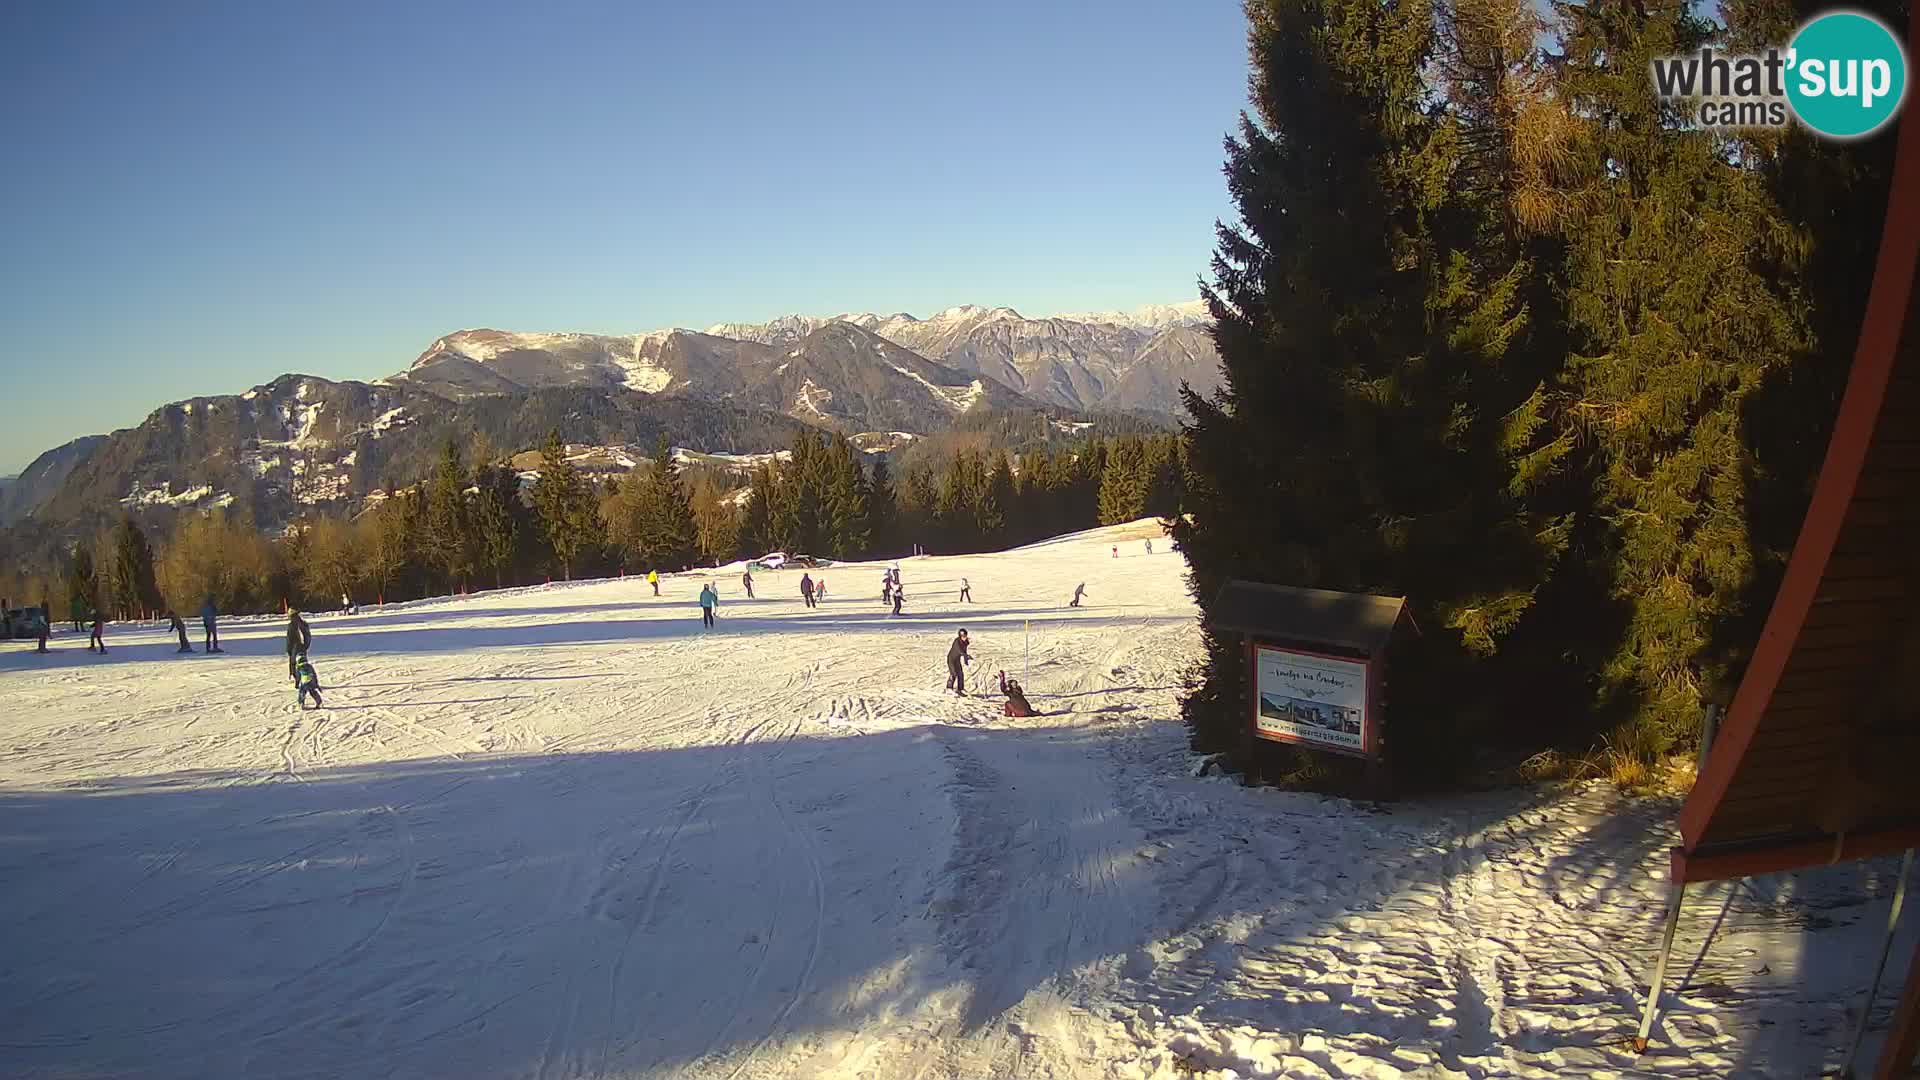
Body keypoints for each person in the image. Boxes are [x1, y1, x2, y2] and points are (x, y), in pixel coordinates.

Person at [286, 608, 311, 681]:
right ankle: (305, 677)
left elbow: (289, 639)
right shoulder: (303, 623)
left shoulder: (291, 625)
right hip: (303, 646)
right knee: (302, 662)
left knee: (294, 662)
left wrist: (288, 649)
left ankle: (296, 678)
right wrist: (306, 645)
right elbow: (308, 635)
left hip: (295, 647)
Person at [946, 628, 971, 695]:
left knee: (960, 674)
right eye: (963, 636)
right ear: (960, 636)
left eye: (965, 636)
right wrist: (966, 655)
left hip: (957, 660)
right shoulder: (956, 642)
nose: (965, 638)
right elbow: (959, 651)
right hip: (951, 659)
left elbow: (964, 651)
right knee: (953, 673)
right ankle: (949, 688)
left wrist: (966, 660)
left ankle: (960, 689)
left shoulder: (965, 642)